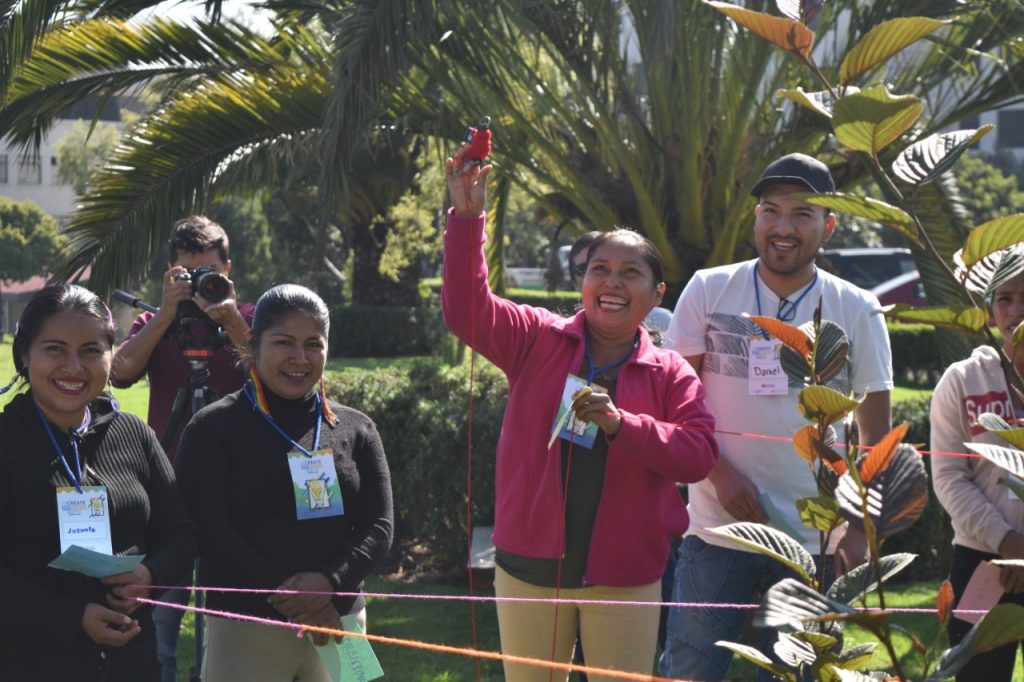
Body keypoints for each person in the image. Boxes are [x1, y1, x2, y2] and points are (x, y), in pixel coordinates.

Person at [443, 147, 719, 681]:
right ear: (582, 283)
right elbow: (465, 308)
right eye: (600, 270)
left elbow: (698, 456)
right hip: (528, 569)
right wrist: (468, 218)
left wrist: (621, 424)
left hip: (625, 577)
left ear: (657, 293)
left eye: (630, 273)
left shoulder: (669, 372)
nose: (612, 283)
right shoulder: (536, 338)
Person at [659, 153, 893, 680]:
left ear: (828, 226)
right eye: (771, 211)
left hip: (814, 539)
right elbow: (676, 401)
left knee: (798, 676)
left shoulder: (858, 307)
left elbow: (878, 435)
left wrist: (858, 527)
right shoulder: (708, 288)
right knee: (688, 672)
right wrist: (718, 474)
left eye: (802, 214)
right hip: (717, 528)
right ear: (756, 219)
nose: (783, 228)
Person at [174, 284, 394, 681]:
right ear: (253, 345)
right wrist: (293, 596)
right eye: (284, 342)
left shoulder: (356, 428)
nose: (299, 358)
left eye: (314, 344)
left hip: (339, 626)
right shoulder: (213, 428)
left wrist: (329, 583)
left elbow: (379, 526)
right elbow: (207, 529)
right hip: (247, 630)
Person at [0, 284, 196, 681]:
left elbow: (182, 533)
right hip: (28, 662)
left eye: (91, 350)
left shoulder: (134, 434)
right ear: (25, 354)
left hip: (133, 663)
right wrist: (72, 618)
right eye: (55, 349)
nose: (74, 367)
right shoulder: (6, 441)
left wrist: (151, 576)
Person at [110, 215, 254, 681]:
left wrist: (230, 318)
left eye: (209, 274)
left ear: (228, 270)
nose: (198, 288)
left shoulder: (250, 320)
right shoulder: (157, 322)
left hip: (234, 497)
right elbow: (120, 371)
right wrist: (167, 315)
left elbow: (278, 374)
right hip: (167, 495)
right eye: (186, 277)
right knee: (158, 635)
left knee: (231, 641)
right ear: (169, 274)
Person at [931, 260, 1024, 681]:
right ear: (989, 310)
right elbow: (949, 478)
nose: (1016, 310)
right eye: (1004, 298)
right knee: (978, 675)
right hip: (981, 564)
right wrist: (1007, 542)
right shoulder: (962, 381)